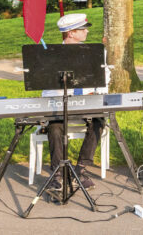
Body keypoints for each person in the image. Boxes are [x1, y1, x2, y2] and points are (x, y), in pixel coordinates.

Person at [43, 13, 108, 191]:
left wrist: (95, 93)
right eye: (83, 29)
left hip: (86, 101)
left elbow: (105, 78)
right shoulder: (51, 54)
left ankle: (81, 169)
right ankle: (58, 172)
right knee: (55, 126)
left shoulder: (95, 52)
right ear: (70, 33)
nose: (86, 31)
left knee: (99, 120)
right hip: (61, 102)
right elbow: (44, 88)